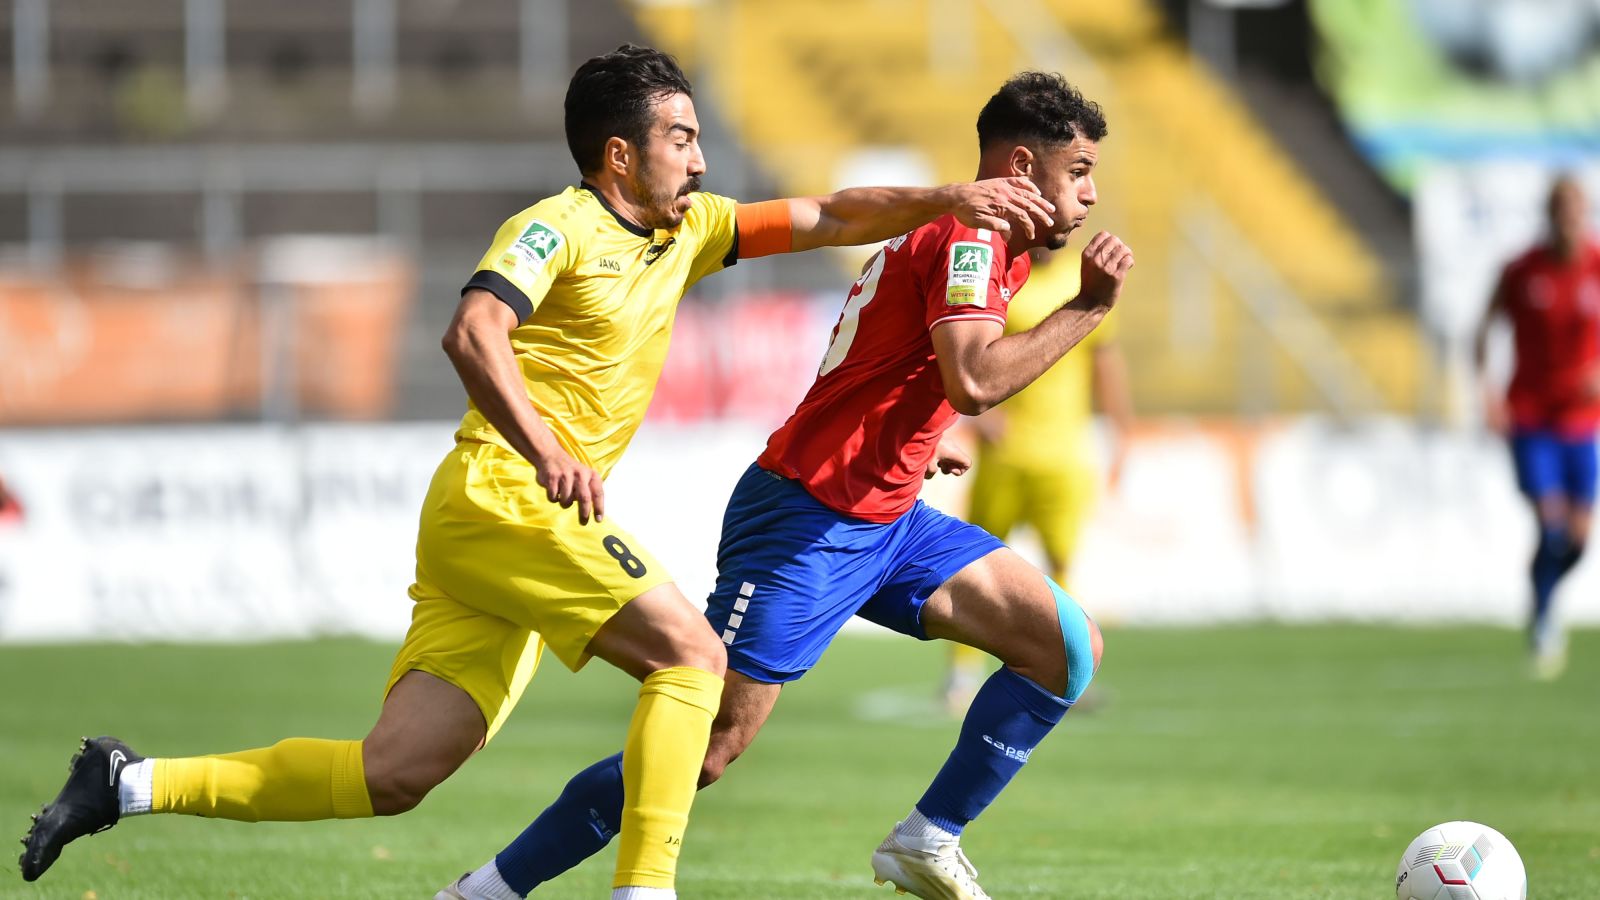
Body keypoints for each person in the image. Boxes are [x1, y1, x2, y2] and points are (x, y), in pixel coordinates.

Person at [18, 45, 1056, 899]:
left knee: (394, 775)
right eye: (680, 141)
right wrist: (547, 446)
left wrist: (946, 197)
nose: (698, 163)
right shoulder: (557, 226)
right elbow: (472, 331)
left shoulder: (689, 231)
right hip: (506, 494)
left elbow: (830, 216)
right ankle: (644, 891)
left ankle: (128, 783)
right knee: (691, 659)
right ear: (619, 154)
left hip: (500, 524)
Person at [444, 71, 1127, 900]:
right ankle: (489, 890)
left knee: (1065, 646)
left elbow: (885, 355)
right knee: (706, 748)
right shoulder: (973, 241)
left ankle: (927, 837)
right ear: (1023, 167)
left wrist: (921, 431)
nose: (1090, 195)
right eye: (1080, 170)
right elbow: (975, 378)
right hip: (808, 518)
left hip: (889, 519)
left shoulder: (982, 243)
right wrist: (1088, 307)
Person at [944, 246, 1134, 711]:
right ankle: (960, 676)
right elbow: (964, 353)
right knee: (974, 565)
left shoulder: (1085, 287)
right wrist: (977, 418)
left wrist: (1123, 433)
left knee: (1062, 562)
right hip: (1004, 454)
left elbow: (1106, 362)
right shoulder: (1004, 280)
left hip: (1065, 455)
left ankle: (1069, 673)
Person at [1473, 174, 1600, 681]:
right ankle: (1545, 620)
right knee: (1549, 525)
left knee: (1578, 537)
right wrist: (1486, 394)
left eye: (1576, 208)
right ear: (1548, 214)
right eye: (1561, 208)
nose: (1569, 217)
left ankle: (1541, 597)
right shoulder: (1520, 271)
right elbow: (1482, 330)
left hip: (1582, 420)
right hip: (1530, 415)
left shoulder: (1596, 265)